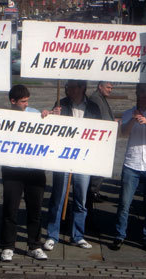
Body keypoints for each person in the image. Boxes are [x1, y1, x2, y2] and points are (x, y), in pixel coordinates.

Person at [43, 80, 102, 251]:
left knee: (81, 200)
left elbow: (100, 130)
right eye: (67, 86)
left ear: (82, 88)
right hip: (63, 158)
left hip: (83, 159)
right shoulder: (61, 104)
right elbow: (52, 129)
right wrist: (53, 115)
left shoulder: (93, 107)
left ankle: (78, 235)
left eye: (71, 86)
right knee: (58, 198)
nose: (68, 89)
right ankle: (52, 234)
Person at [110, 83, 146, 253]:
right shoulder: (129, 113)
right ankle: (120, 235)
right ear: (136, 92)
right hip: (132, 163)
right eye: (141, 91)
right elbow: (124, 133)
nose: (144, 94)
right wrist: (134, 120)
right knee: (124, 203)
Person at [0, 85, 48, 262]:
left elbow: (50, 128)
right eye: (23, 101)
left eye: (28, 100)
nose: (27, 104)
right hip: (12, 170)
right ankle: (8, 246)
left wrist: (50, 116)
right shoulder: (3, 117)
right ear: (13, 101)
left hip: (35, 169)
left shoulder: (34, 113)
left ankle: (34, 245)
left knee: (35, 210)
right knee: (10, 209)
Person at [88, 81, 117, 203]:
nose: (110, 89)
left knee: (101, 166)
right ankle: (92, 192)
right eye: (108, 87)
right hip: (100, 138)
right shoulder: (96, 98)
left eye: (111, 87)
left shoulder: (100, 98)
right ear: (100, 86)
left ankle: (95, 191)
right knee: (98, 166)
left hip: (104, 137)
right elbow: (101, 118)